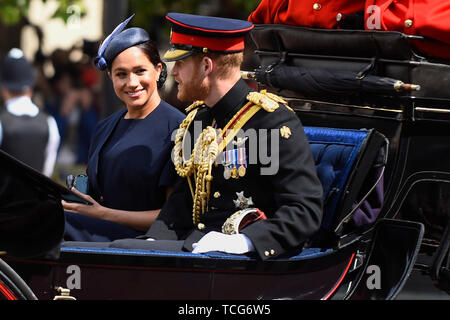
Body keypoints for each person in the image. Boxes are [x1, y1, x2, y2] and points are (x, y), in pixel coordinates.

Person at [65, 13, 323, 260]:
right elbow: (181, 202)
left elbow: (304, 211)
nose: (173, 72)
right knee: (110, 247)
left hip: (244, 263)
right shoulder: (197, 121)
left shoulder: (269, 121)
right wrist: (153, 241)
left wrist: (245, 242)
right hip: (195, 248)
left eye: (180, 63)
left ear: (206, 66)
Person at [61, 15, 185, 242]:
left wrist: (104, 215)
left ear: (158, 70)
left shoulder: (180, 129)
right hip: (96, 232)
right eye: (121, 74)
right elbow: (91, 189)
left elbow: (174, 217)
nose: (132, 82)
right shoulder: (105, 127)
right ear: (110, 76)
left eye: (140, 71)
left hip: (144, 244)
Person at [0, 48, 60, 177]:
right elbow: (47, 171)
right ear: (31, 88)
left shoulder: (2, 122)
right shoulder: (49, 123)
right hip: (39, 197)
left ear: (3, 89)